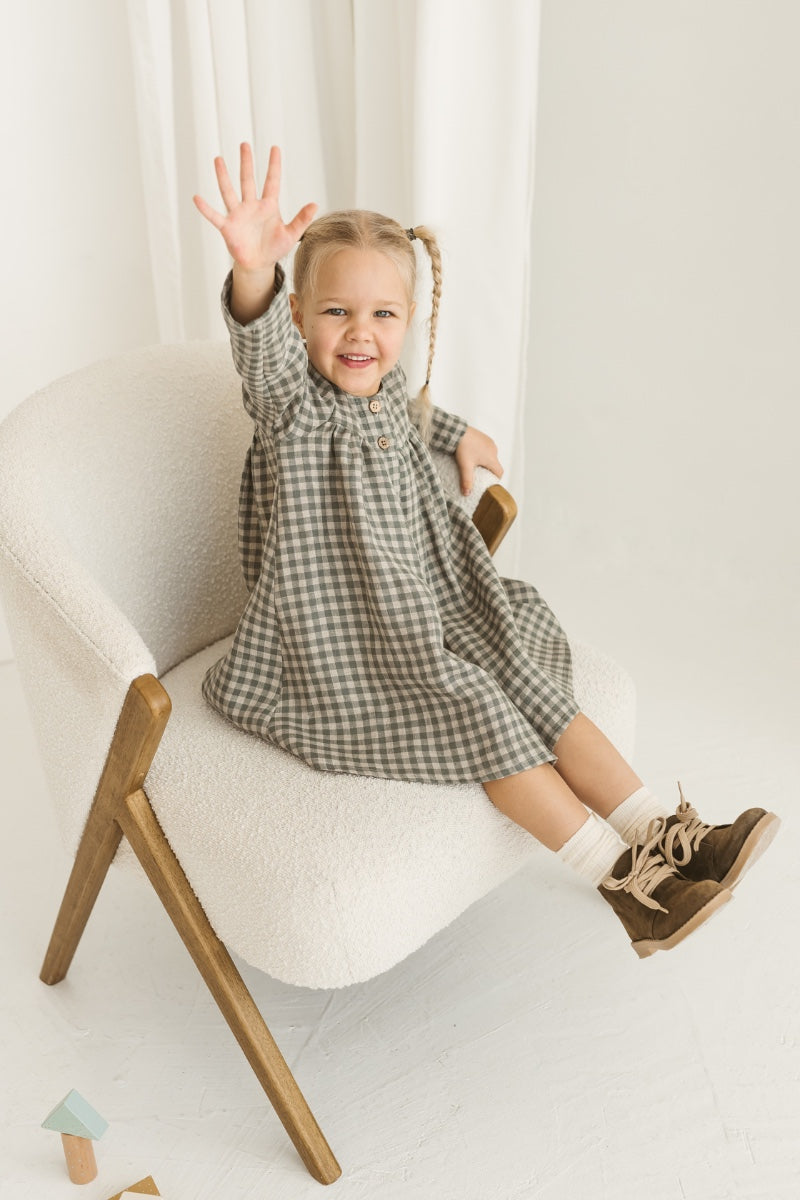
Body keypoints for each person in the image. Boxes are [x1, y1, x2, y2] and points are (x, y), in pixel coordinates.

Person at [193, 143, 779, 958]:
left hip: (432, 594)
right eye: (335, 313)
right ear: (297, 316)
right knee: (476, 708)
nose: (360, 334)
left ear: (407, 321)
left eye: (383, 316)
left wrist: (462, 434)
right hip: (341, 644)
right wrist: (253, 269)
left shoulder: (386, 383)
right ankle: (631, 888)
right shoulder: (292, 403)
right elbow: (258, 355)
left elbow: (410, 407)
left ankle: (668, 834)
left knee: (522, 669)